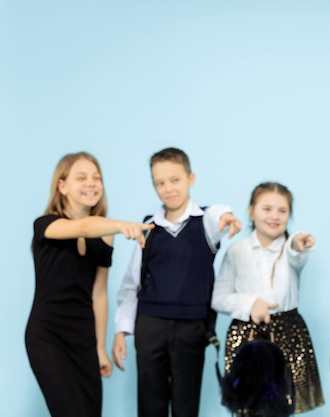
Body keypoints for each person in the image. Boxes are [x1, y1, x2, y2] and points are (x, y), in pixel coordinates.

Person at [112, 147, 242, 417]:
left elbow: (217, 214)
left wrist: (225, 217)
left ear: (190, 179)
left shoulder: (205, 222)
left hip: (191, 328)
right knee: (150, 403)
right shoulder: (148, 228)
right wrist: (122, 330)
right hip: (149, 326)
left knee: (186, 404)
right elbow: (130, 284)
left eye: (175, 180)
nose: (168, 188)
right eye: (160, 182)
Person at [25, 151, 154, 417]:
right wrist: (119, 225)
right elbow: (83, 227)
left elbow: (99, 294)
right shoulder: (46, 225)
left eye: (97, 178)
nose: (92, 183)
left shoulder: (106, 236)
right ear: (62, 186)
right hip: (48, 336)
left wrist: (99, 349)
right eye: (81, 177)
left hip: (83, 339)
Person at [212, 182, 324, 414]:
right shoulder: (237, 251)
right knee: (247, 406)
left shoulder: (293, 249)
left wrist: (297, 242)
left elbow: (296, 252)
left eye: (282, 211)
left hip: (288, 333)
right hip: (245, 336)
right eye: (267, 209)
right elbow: (218, 298)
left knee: (284, 403)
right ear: (251, 211)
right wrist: (250, 303)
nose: (274, 216)